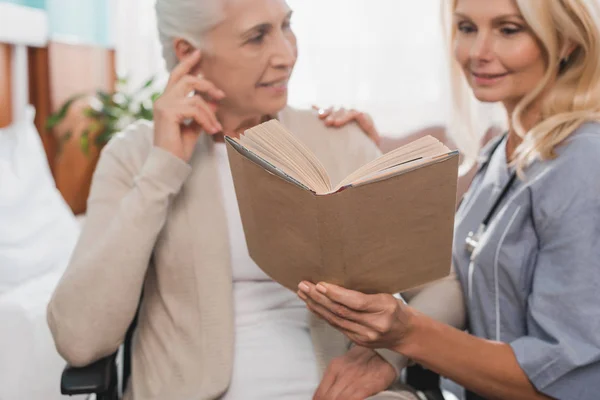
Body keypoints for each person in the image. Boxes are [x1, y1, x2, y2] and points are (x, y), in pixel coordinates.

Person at [46, 1, 458, 399]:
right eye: (257, 36)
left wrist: (385, 359)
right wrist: (163, 168)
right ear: (188, 53)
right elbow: (80, 339)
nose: (286, 54)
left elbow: (444, 285)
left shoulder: (338, 138)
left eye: (286, 25)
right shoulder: (134, 157)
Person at [298, 0, 600, 399]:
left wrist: (406, 333)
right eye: (467, 28)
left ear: (566, 42)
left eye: (508, 30)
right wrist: (364, 161)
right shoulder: (502, 153)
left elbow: (565, 380)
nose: (478, 52)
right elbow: (461, 269)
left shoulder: (584, 163)